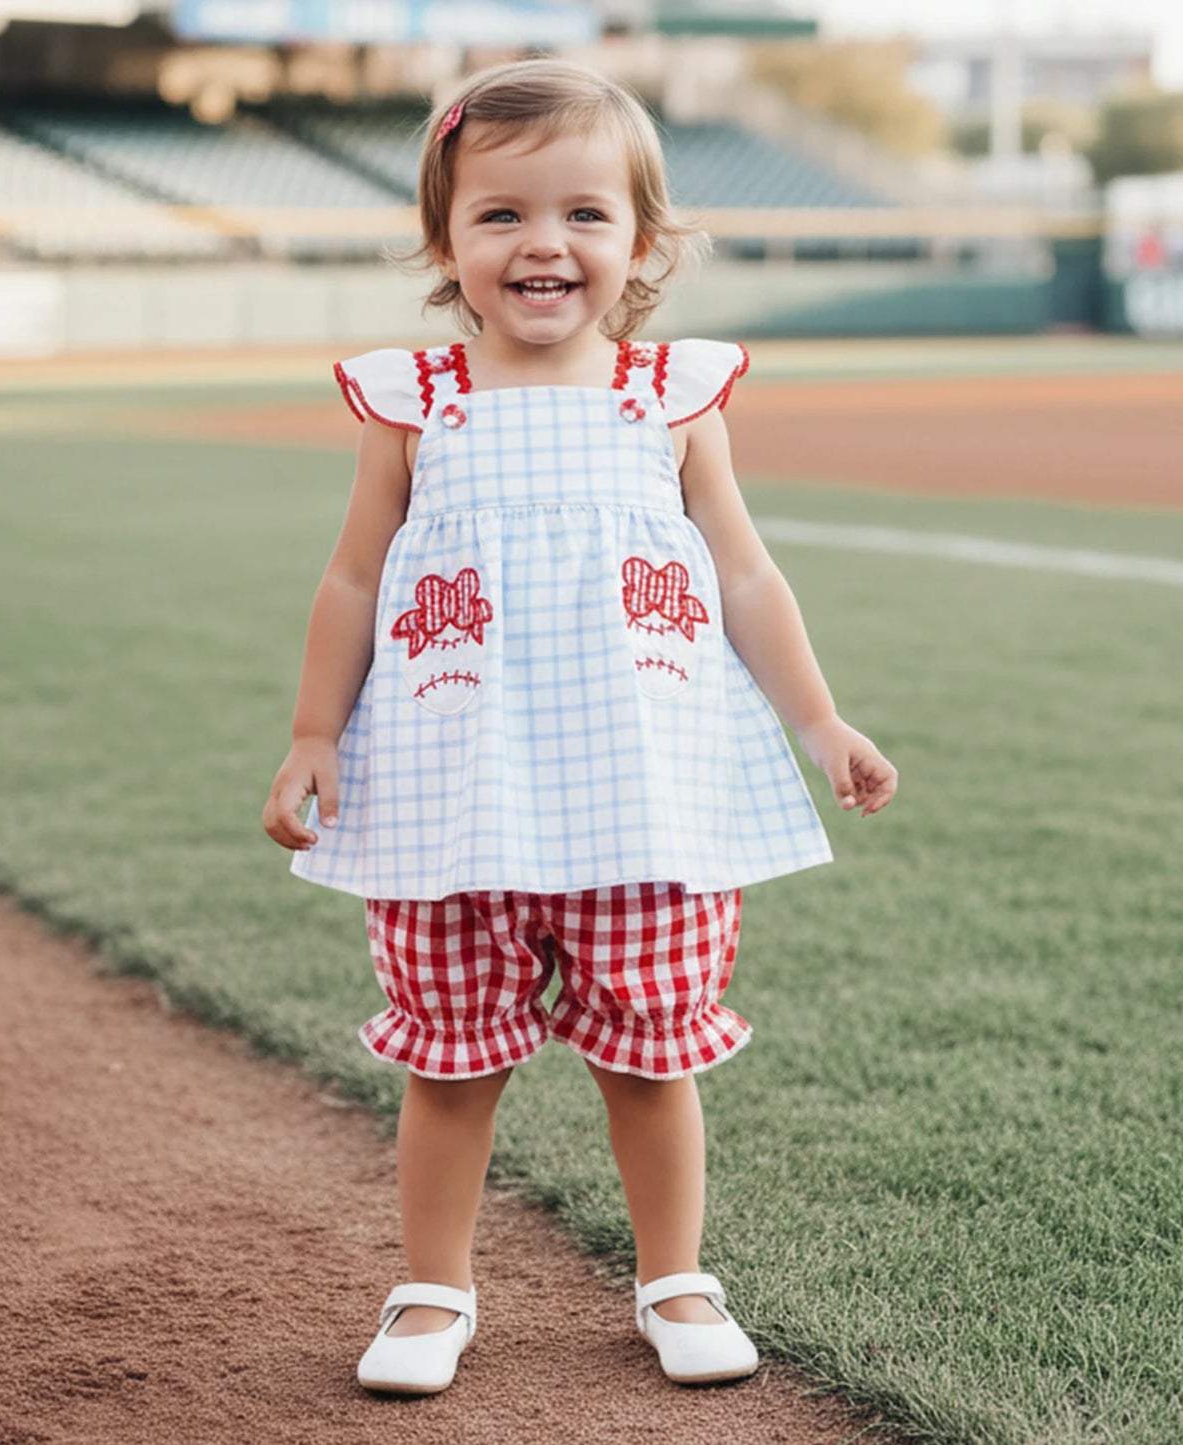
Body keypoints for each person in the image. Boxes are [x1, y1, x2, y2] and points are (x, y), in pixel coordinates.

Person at [262, 57, 897, 1397]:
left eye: (583, 215)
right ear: (445, 243)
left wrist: (819, 718)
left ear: (643, 243)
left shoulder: (671, 396)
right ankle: (434, 1289)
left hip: (645, 796)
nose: (542, 242)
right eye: (499, 215)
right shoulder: (415, 402)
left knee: (647, 1051)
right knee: (450, 1061)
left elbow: (742, 573)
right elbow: (354, 576)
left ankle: (674, 1276)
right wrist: (315, 732)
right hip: (455, 794)